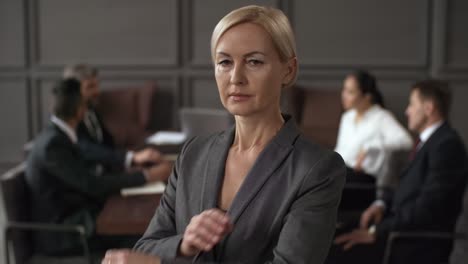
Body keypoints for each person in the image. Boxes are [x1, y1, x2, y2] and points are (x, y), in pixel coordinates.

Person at [102, 5, 346, 264]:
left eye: (254, 62)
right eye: (225, 62)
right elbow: (147, 246)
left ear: (288, 70)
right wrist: (184, 245)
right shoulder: (192, 154)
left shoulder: (317, 169)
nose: (236, 77)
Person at [329, 80, 468, 264]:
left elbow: (429, 208)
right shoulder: (431, 142)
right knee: (331, 234)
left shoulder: (446, 145)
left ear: (428, 108)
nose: (407, 111)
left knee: (332, 250)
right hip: (396, 227)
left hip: (409, 241)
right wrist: (380, 204)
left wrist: (377, 231)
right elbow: (408, 189)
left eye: (412, 104)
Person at [25, 79, 165, 255]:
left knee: (149, 234)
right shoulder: (52, 145)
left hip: (78, 219)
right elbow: (91, 184)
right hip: (66, 233)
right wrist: (146, 176)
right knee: (149, 239)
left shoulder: (57, 135)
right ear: (80, 109)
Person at [63, 64, 171, 180]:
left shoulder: (91, 110)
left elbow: (107, 144)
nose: (97, 91)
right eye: (90, 87)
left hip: (109, 172)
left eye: (97, 85)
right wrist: (131, 158)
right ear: (72, 91)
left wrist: (131, 162)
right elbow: (86, 148)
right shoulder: (69, 119)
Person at [334, 70, 413, 209]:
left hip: (364, 181)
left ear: (367, 96)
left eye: (350, 92)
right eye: (344, 90)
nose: (343, 96)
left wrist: (370, 147)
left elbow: (407, 142)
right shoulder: (347, 117)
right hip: (343, 175)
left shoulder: (381, 117)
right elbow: (339, 150)